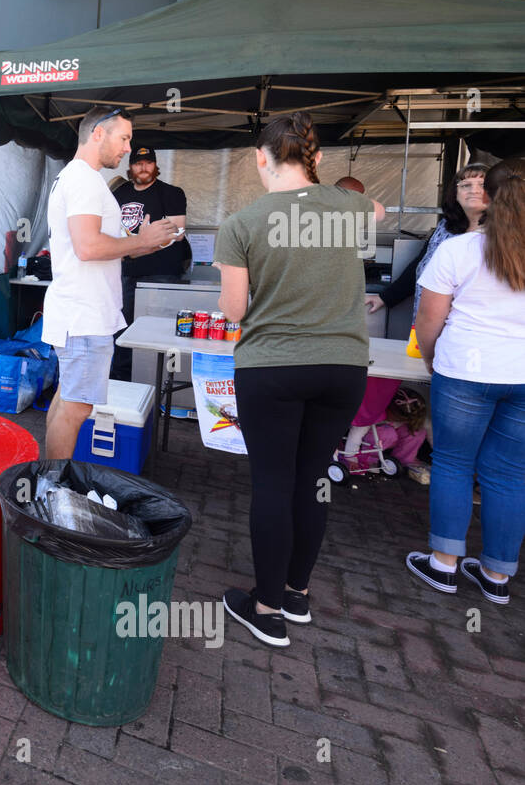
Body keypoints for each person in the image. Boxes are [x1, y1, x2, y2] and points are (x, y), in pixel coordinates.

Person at [213, 111, 385, 647]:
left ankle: (265, 611)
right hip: (343, 367)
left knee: (272, 482)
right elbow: (378, 208)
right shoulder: (350, 207)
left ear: (261, 158)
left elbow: (235, 310)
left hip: (273, 366)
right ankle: (295, 594)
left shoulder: (242, 223)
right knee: (313, 478)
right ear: (315, 159)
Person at [405, 157, 525, 605]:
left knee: (454, 465)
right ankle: (496, 574)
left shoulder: (458, 250)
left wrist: (434, 361)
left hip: (465, 372)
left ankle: (443, 565)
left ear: (488, 197)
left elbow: (428, 320)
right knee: (510, 475)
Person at [42, 106, 178, 459]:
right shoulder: (85, 180)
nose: (128, 149)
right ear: (98, 133)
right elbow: (87, 247)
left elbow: (105, 247)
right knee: (76, 409)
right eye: (124, 138)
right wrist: (141, 241)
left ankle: (47, 481)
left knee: (66, 401)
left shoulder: (78, 178)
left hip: (78, 312)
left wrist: (143, 240)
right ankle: (52, 489)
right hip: (84, 315)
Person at [365, 163, 489, 317]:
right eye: (465, 185)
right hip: (427, 322)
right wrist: (386, 297)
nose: (474, 190)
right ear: (455, 193)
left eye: (482, 185)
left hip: (467, 326)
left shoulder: (501, 234)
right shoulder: (445, 227)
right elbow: (422, 265)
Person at [111, 145, 190, 380]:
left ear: (155, 166)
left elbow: (177, 233)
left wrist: (137, 244)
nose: (143, 168)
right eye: (138, 163)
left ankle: (152, 384)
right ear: (130, 167)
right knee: (122, 329)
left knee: (156, 331)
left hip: (161, 274)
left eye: (148, 163)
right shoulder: (119, 193)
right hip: (125, 272)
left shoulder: (171, 193)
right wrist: (137, 243)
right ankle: (122, 382)